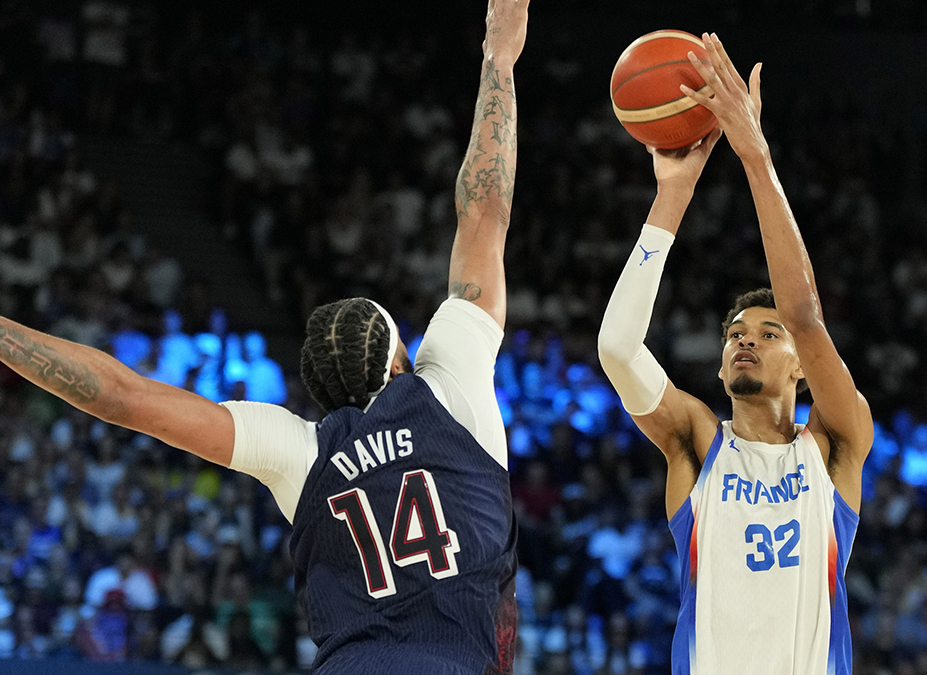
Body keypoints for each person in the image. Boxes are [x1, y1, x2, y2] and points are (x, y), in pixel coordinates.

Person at [0, 0, 530, 672]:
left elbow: (120, 396)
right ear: (400, 359)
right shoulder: (451, 388)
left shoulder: (301, 451)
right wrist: (499, 62)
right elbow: (484, 213)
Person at [597, 33, 872, 675]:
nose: (746, 338)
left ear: (802, 363)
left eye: (767, 334)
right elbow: (616, 347)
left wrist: (756, 158)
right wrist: (671, 199)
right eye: (735, 333)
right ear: (720, 366)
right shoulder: (694, 441)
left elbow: (804, 314)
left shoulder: (835, 443)